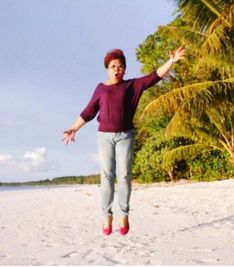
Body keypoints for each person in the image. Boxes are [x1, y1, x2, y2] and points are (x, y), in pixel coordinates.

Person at [62, 47, 185, 236]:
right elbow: (89, 112)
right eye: (113, 66)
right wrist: (73, 128)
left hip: (126, 136)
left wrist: (171, 61)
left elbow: (154, 77)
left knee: (125, 175)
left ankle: (124, 214)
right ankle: (106, 215)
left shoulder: (132, 86)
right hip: (104, 136)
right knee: (107, 176)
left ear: (125, 69)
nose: (116, 69)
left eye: (120, 66)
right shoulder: (101, 89)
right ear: (107, 69)